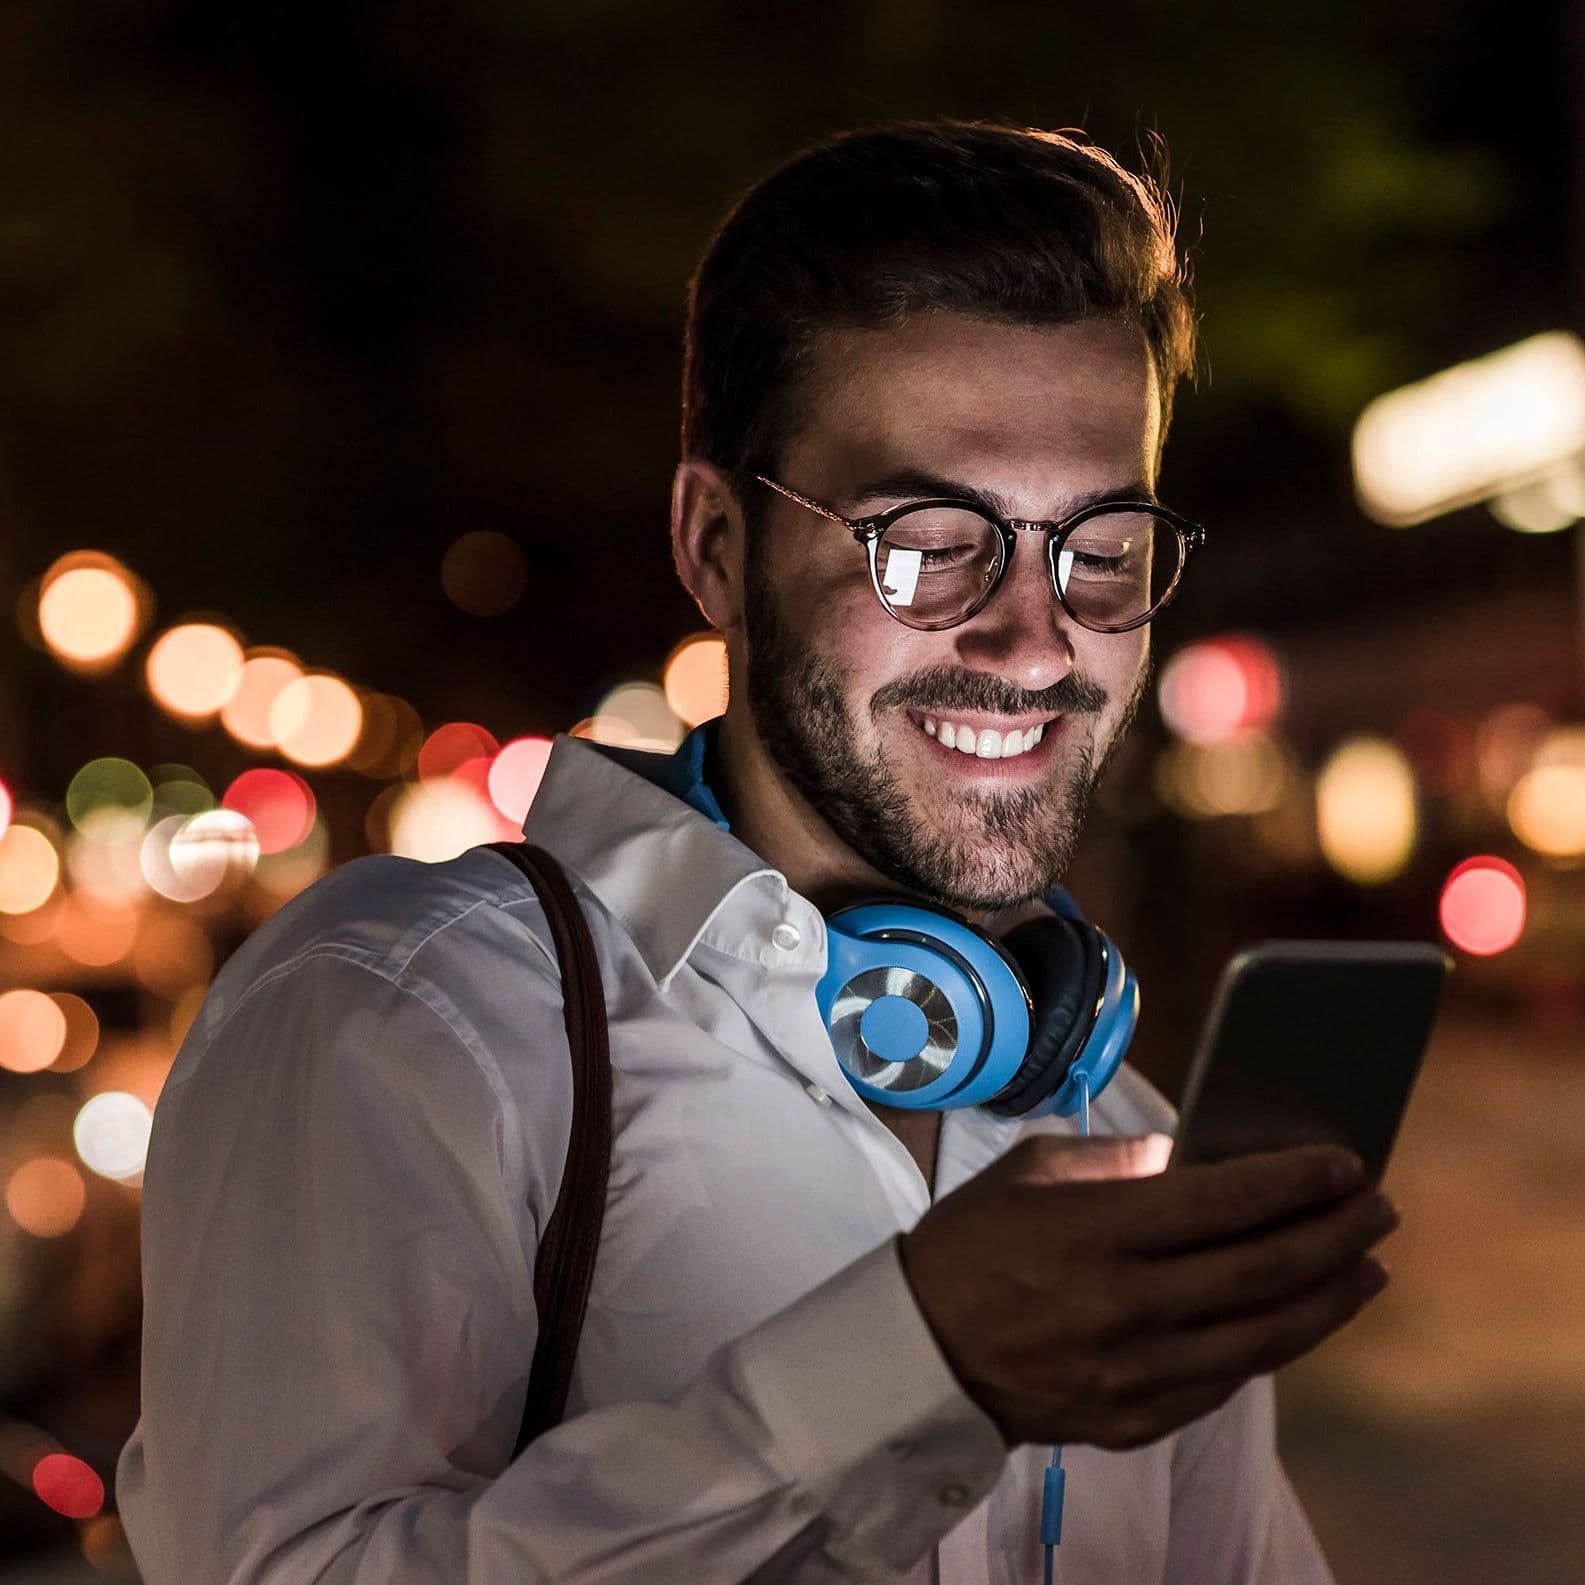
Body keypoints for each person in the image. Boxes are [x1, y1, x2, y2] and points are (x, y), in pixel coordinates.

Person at [117, 121, 1396, 1584]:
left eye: (1097, 548)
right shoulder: (405, 1016)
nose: (1034, 638)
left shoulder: (1114, 1130)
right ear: (715, 544)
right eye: (925, 539)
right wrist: (911, 1367)